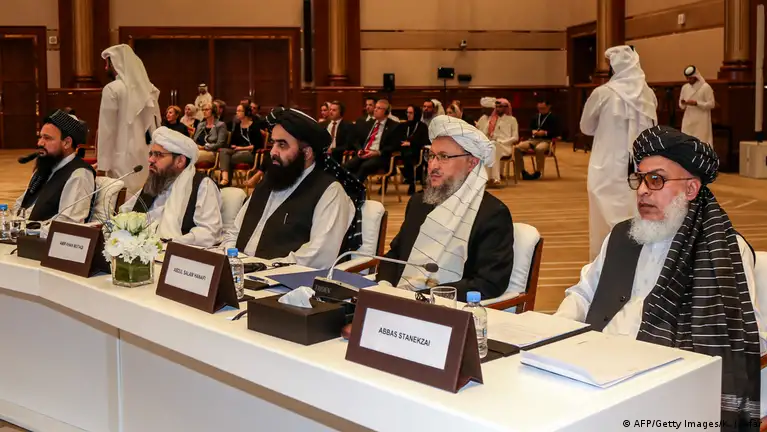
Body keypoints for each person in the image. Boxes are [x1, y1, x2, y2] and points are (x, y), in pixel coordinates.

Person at [555, 125, 762, 427]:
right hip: (595, 369)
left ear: (691, 189)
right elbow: (583, 293)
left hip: (669, 385)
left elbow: (747, 335)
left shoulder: (724, 249)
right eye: (640, 178)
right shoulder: (622, 235)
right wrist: (555, 334)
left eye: (656, 180)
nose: (642, 190)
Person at [377, 115, 514, 302]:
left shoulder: (492, 214)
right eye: (431, 156)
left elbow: (489, 283)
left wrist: (423, 297)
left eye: (444, 157)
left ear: (471, 163)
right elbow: (395, 255)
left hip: (450, 309)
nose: (433, 165)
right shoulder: (419, 203)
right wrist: (384, 285)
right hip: (401, 299)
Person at [222, 108, 355, 269]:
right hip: (241, 272)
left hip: (285, 279)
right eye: (273, 143)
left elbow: (319, 255)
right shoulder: (268, 182)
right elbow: (234, 232)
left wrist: (261, 268)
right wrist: (231, 260)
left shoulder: (329, 191)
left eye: (282, 145)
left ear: (306, 153)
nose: (273, 152)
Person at [580, 45, 658, 260]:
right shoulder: (648, 94)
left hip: (606, 164)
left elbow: (586, 127)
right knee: (638, 211)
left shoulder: (603, 93)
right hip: (640, 166)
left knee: (603, 216)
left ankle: (604, 264)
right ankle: (639, 263)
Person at [122, 127, 223, 247]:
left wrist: (170, 243)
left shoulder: (202, 185)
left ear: (180, 161)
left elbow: (210, 233)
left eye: (158, 155)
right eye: (151, 154)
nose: (150, 160)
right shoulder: (155, 181)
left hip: (178, 253)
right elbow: (127, 212)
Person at [98, 44, 161, 195]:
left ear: (116, 63)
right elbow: (156, 126)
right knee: (141, 197)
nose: (106, 68)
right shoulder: (149, 89)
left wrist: (102, 166)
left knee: (121, 200)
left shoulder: (112, 89)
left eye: (107, 63)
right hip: (146, 154)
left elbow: (107, 130)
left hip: (120, 157)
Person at [13, 110, 96, 224]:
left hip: (43, 234)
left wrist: (31, 229)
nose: (40, 143)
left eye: (47, 138)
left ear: (66, 143)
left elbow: (68, 223)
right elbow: (21, 204)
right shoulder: (45, 169)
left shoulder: (79, 175)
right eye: (40, 137)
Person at [343, 99, 399, 184]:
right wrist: (359, 149)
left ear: (386, 112)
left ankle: (355, 188)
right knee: (346, 166)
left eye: (379, 108)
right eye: (375, 107)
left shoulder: (394, 126)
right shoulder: (369, 123)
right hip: (365, 153)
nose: (375, 110)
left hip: (380, 156)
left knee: (364, 166)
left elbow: (394, 146)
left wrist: (377, 152)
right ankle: (345, 187)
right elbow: (358, 140)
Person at [218, 103, 265, 187]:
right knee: (223, 151)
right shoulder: (237, 126)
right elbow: (232, 143)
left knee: (227, 159)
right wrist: (233, 146)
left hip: (250, 153)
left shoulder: (254, 126)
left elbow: (258, 145)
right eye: (237, 111)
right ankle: (225, 179)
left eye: (239, 111)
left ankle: (225, 181)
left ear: (246, 112)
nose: (237, 113)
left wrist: (241, 148)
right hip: (237, 151)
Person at [514, 99, 562, 180]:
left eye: (543, 108)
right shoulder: (535, 117)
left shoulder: (554, 118)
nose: (541, 110)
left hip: (546, 140)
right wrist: (532, 131)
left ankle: (538, 172)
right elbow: (529, 129)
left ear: (549, 107)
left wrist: (545, 133)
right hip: (533, 140)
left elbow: (557, 132)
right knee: (518, 148)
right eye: (539, 108)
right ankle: (522, 171)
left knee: (539, 149)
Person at [478, 98, 518, 188]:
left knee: (492, 147)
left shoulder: (512, 120)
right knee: (490, 147)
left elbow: (515, 137)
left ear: (506, 108)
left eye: (501, 107)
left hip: (506, 147)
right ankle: (491, 179)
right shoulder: (493, 120)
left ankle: (493, 178)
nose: (498, 109)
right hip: (494, 145)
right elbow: (486, 133)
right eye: (497, 107)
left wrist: (502, 141)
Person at [396, 105, 429, 195]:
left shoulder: (422, 126)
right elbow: (396, 137)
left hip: (416, 151)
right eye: (407, 112)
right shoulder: (403, 125)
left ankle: (412, 184)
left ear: (416, 114)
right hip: (402, 150)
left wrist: (411, 143)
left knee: (408, 156)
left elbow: (425, 141)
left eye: (410, 113)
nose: (408, 115)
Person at [679, 65, 715, 145]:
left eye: (690, 78)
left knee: (701, 141)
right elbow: (681, 106)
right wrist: (684, 103)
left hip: (701, 120)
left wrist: (697, 103)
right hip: (688, 118)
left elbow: (712, 104)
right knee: (687, 142)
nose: (688, 80)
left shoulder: (705, 87)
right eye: (687, 78)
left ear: (695, 76)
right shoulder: (685, 87)